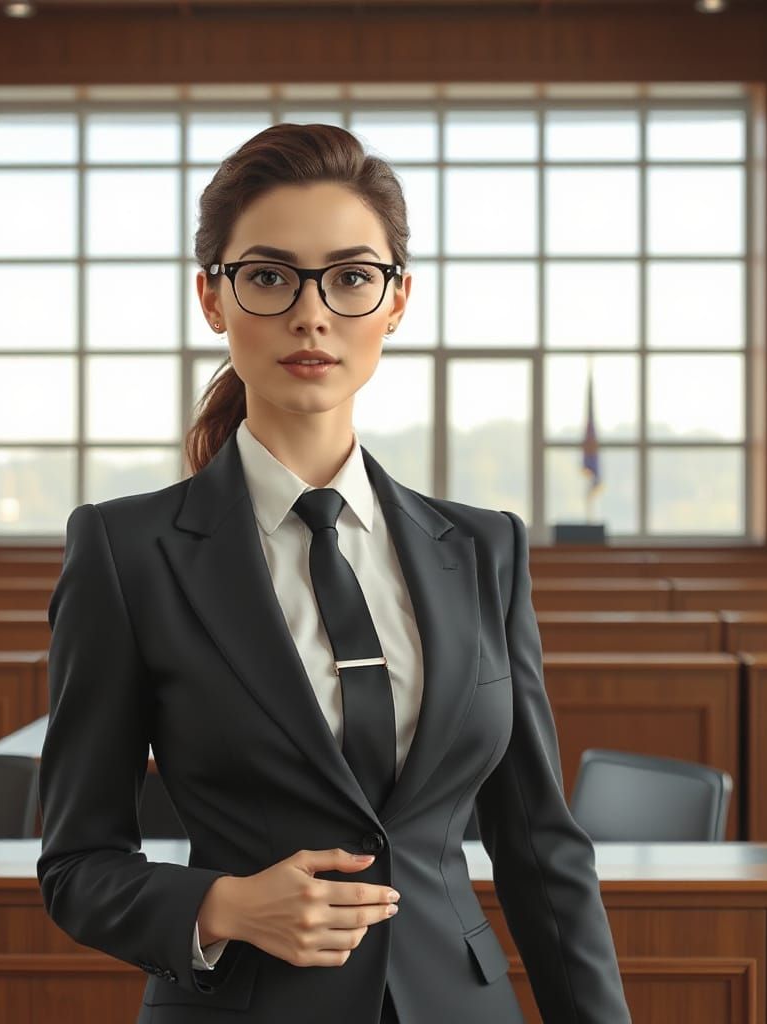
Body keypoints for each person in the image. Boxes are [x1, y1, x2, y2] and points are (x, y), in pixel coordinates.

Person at [37, 123, 632, 1024]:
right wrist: (219, 905)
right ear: (212, 297)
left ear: (395, 302)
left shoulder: (486, 550)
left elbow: (541, 849)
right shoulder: (125, 554)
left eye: (351, 277)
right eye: (269, 276)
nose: (311, 315)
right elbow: (77, 863)